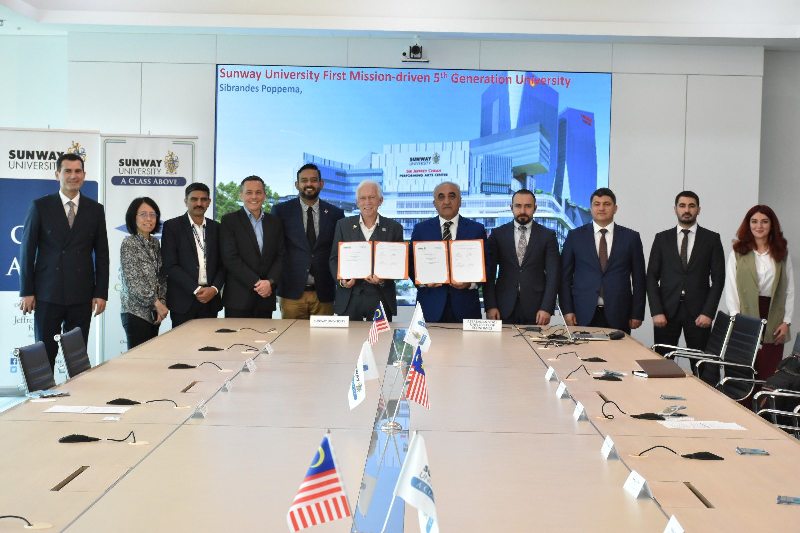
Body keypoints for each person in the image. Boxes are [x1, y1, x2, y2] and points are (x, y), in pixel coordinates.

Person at [19, 153, 109, 369]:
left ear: (84, 175)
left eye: (78, 171)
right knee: (43, 356)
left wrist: (100, 292)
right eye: (67, 171)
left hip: (81, 294)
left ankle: (77, 392)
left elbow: (102, 254)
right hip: (47, 293)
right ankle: (43, 391)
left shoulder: (95, 210)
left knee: (77, 357)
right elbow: (27, 250)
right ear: (57, 174)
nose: (73, 176)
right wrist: (27, 291)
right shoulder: (40, 206)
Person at [647, 191, 725, 361]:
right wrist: (656, 311)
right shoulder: (662, 238)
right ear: (675, 209)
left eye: (691, 206)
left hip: (699, 314)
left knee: (702, 365)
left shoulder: (712, 239)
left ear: (699, 210)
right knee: (662, 364)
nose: (687, 210)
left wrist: (708, 313)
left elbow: (718, 279)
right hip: (666, 312)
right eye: (682, 206)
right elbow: (651, 277)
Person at [560, 187, 646, 333]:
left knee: (619, 349)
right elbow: (564, 278)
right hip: (582, 313)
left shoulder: (631, 238)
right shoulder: (575, 237)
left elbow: (639, 279)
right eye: (597, 204)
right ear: (591, 208)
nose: (601, 208)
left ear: (615, 208)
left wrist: (637, 313)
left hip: (620, 313)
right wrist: (567, 310)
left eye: (607, 204)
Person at [724, 205, 794, 380]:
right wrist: (736, 318)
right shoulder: (737, 252)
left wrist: (786, 322)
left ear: (772, 224)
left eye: (764, 221)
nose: (759, 226)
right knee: (744, 370)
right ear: (748, 225)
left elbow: (789, 289)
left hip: (773, 317)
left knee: (768, 370)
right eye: (754, 221)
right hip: (745, 314)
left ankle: (762, 398)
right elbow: (731, 288)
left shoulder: (782, 253)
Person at [273, 163, 344, 318]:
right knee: (292, 334)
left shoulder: (336, 214)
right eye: (304, 180)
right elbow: (275, 249)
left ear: (321, 183)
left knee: (323, 335)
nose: (309, 184)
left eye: (313, 180)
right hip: (291, 293)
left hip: (324, 293)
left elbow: (339, 252)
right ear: (297, 184)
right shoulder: (281, 211)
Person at [410, 181, 486, 323]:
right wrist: (424, 282)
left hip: (466, 306)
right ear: (434, 203)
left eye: (452, 196)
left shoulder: (477, 229)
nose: (446, 201)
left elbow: (487, 265)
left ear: (460, 201)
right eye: (441, 197)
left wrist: (470, 283)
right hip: (430, 306)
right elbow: (410, 265)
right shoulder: (421, 230)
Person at [329, 180, 404, 321]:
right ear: (357, 202)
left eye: (372, 197)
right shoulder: (343, 225)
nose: (367, 202)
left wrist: (383, 279)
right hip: (349, 299)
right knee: (348, 336)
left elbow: (399, 264)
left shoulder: (394, 228)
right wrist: (342, 280)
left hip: (381, 298)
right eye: (363, 198)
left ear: (380, 200)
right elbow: (334, 258)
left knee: (381, 336)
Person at [484, 189, 560, 325]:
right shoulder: (497, 235)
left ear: (535, 208)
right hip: (502, 307)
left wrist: (547, 308)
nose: (523, 210)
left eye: (528, 206)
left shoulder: (548, 236)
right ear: (511, 207)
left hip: (537, 309)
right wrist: (490, 306)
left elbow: (553, 276)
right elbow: (489, 274)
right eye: (518, 206)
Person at [219, 175, 285, 318]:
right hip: (238, 299)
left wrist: (270, 282)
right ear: (241, 195)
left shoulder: (275, 222)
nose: (254, 197)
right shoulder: (229, 221)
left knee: (264, 334)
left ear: (264, 195)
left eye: (258, 192)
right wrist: (257, 283)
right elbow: (230, 258)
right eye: (249, 192)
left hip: (266, 298)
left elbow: (281, 256)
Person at [161, 183, 225, 327]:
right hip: (183, 301)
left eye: (203, 199)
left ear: (209, 202)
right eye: (194, 199)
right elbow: (170, 265)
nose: (199, 203)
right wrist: (196, 289)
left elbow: (223, 264)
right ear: (186, 201)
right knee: (183, 341)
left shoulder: (217, 228)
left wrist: (214, 289)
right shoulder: (172, 226)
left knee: (209, 341)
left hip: (211, 300)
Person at [120, 197, 168, 349]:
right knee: (138, 359)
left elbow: (161, 276)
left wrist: (162, 302)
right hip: (135, 313)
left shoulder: (155, 243)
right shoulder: (129, 243)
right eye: (143, 214)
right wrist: (156, 303)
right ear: (133, 217)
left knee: (151, 357)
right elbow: (134, 281)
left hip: (154, 313)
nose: (149, 219)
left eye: (152, 214)